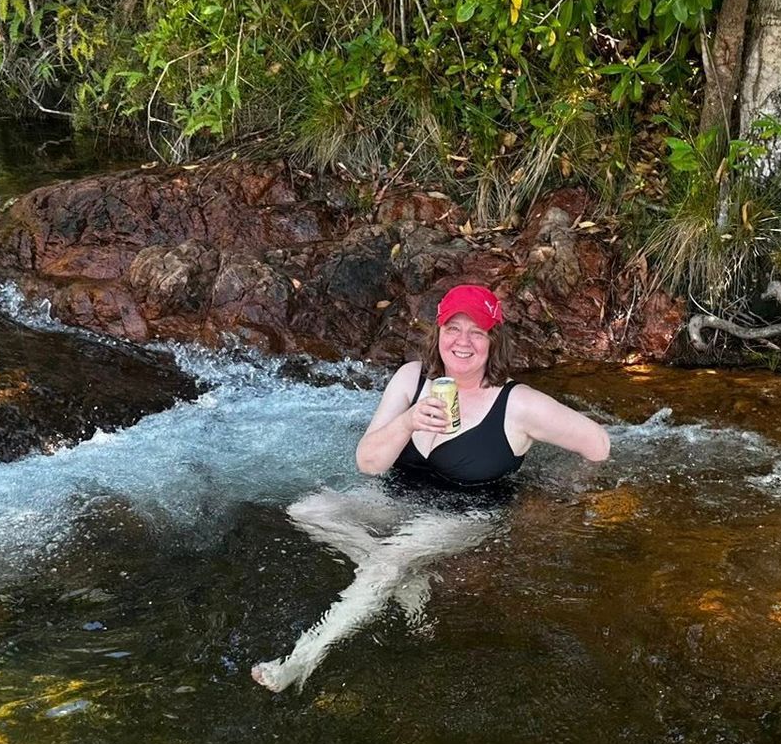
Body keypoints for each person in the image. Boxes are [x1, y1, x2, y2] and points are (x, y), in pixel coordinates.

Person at [252, 284, 611, 691]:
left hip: (466, 510)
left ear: (494, 341)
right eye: (453, 328)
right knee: (308, 509)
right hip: (399, 494)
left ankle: (302, 659)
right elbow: (368, 463)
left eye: (477, 332)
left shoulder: (518, 403)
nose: (463, 341)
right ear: (437, 333)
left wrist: (562, 488)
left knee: (388, 560)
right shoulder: (412, 377)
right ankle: (408, 579)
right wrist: (407, 422)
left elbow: (598, 444)